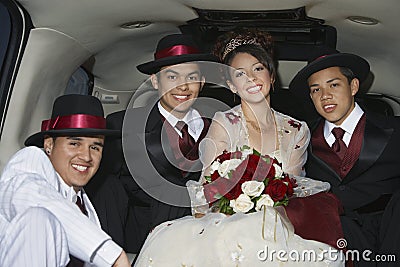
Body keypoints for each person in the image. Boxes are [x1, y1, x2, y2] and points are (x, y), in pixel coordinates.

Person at [133, 29, 345, 266]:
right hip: (226, 221)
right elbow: (208, 185)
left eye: (258, 69)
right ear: (232, 86)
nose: (251, 79)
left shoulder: (297, 129)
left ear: (272, 77)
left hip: (281, 222)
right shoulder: (223, 123)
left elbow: (293, 186)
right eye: (240, 74)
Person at [86, 33, 217, 254]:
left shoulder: (219, 126)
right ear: (155, 81)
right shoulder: (123, 125)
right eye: (172, 77)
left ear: (202, 82)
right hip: (140, 242)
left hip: (206, 241)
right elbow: (107, 194)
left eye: (191, 77)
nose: (183, 87)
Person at [289, 49, 400, 265]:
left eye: (334, 85)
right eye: (316, 90)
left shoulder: (395, 129)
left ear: (354, 86)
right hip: (338, 243)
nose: (325, 96)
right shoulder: (301, 140)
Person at [0, 94, 131, 266]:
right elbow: (30, 195)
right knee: (39, 218)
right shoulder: (30, 160)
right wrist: (113, 255)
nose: (86, 156)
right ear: (49, 144)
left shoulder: (87, 208)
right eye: (74, 144)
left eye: (95, 147)